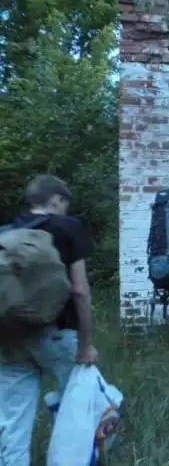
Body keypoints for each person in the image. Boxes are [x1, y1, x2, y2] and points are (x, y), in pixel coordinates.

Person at [0, 174, 97, 466]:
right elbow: (79, 291)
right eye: (64, 203)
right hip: (57, 333)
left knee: (13, 425)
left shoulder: (7, 232)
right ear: (56, 200)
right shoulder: (68, 227)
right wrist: (86, 345)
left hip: (10, 338)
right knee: (78, 412)